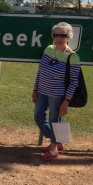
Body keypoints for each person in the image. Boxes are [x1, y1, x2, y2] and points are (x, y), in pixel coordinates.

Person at [32, 22, 80, 161]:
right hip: (42, 91)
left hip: (57, 95)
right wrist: (35, 89)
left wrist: (66, 101)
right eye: (56, 35)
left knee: (55, 120)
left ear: (69, 37)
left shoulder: (73, 57)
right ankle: (57, 140)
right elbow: (40, 71)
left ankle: (54, 148)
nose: (59, 38)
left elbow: (73, 82)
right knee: (38, 117)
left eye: (63, 35)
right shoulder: (48, 49)